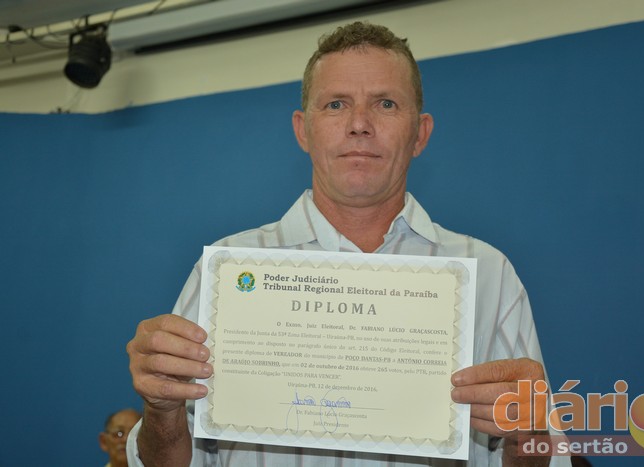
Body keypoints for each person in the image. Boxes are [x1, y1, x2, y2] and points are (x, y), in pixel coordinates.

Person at [126, 21, 570, 467]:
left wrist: (529, 432)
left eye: (386, 104)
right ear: (303, 130)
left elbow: (542, 456)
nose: (359, 125)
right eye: (336, 104)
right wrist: (161, 410)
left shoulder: (489, 274)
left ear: (420, 134)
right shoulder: (225, 273)